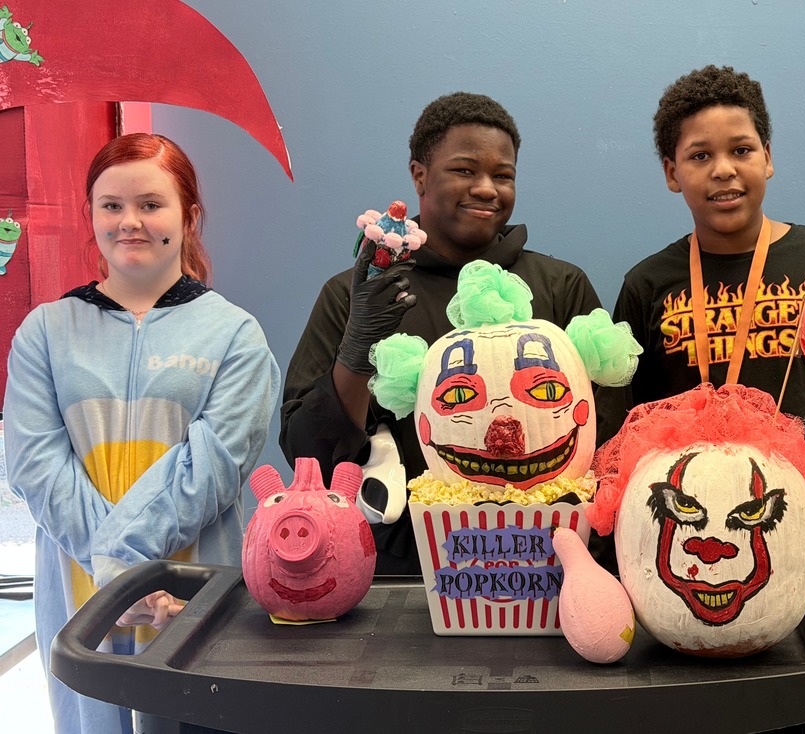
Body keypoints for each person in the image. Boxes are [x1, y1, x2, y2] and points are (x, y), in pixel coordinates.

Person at [611, 66, 805, 733]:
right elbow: (630, 441)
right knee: (717, 710)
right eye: (700, 155)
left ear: (768, 159)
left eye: (741, 150)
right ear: (671, 172)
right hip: (698, 546)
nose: (724, 170)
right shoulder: (649, 284)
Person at [3, 133, 280, 734]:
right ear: (91, 215)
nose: (130, 221)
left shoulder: (235, 335)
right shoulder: (45, 332)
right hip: (83, 603)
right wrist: (116, 580)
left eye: (151, 205)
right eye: (111, 205)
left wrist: (127, 573)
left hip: (190, 600)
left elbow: (211, 470)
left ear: (189, 215)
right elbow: (36, 466)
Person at [281, 92, 611, 575]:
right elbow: (309, 461)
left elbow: (606, 442)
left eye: (503, 175)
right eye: (464, 170)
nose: (486, 188)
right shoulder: (359, 294)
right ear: (419, 175)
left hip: (550, 563)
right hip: (400, 574)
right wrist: (355, 352)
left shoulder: (560, 288)